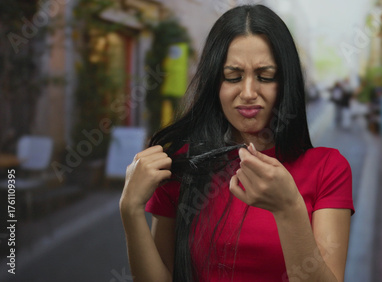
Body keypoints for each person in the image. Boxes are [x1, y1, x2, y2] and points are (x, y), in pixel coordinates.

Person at [120, 4, 354, 282]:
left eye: (265, 76)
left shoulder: (328, 168)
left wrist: (289, 209)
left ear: (286, 82)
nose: (248, 92)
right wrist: (130, 210)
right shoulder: (182, 165)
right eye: (233, 76)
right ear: (214, 83)